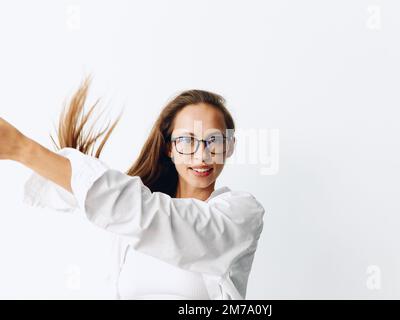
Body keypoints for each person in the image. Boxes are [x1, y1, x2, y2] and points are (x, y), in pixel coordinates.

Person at [0, 76, 265, 300]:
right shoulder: (131, 225)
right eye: (187, 140)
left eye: (214, 141)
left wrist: (23, 149)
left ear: (229, 147)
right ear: (169, 147)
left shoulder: (240, 214)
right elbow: (97, 201)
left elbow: (156, 218)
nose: (201, 155)